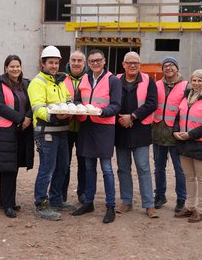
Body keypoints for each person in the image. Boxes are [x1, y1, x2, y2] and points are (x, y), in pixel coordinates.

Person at [72, 49, 122, 224]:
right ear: (89, 63)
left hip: (104, 128)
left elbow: (116, 105)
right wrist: (79, 107)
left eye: (98, 60)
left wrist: (101, 111)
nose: (95, 63)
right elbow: (77, 99)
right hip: (87, 126)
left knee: (107, 168)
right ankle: (88, 202)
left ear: (104, 61)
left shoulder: (113, 80)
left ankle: (110, 205)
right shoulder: (85, 79)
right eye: (92, 61)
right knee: (88, 166)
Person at [28, 45, 74, 221]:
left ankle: (56, 199)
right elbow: (37, 108)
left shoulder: (60, 81)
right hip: (46, 131)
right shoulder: (37, 83)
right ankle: (41, 203)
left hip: (61, 131)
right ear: (43, 63)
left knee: (63, 166)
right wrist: (53, 116)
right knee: (47, 168)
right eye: (51, 63)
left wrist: (71, 107)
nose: (54, 66)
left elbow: (68, 98)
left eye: (56, 63)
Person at [0, 55, 34, 218]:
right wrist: (21, 119)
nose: (15, 69)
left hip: (21, 131)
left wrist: (28, 117)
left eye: (17, 66)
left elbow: (32, 104)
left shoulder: (26, 84)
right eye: (12, 66)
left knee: (13, 167)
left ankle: (6, 199)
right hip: (5, 132)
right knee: (8, 169)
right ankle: (8, 205)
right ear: (6, 68)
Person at [114, 52, 159, 218]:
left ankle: (149, 205)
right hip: (120, 131)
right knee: (123, 168)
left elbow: (152, 103)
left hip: (140, 130)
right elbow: (111, 101)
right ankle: (126, 201)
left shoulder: (148, 81)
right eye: (129, 63)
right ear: (123, 64)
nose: (133, 66)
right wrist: (123, 119)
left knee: (143, 167)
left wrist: (132, 116)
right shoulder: (115, 80)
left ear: (140, 65)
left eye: (136, 63)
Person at [173, 69, 202, 223]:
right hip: (184, 142)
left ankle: (201, 209)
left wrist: (191, 134)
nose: (196, 83)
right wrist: (175, 131)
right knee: (189, 177)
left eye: (200, 80)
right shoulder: (186, 96)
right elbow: (178, 117)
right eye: (194, 80)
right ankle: (190, 206)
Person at [152, 57, 188, 213]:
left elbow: (188, 109)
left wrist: (180, 129)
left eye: (171, 65)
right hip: (158, 132)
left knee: (179, 169)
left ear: (177, 68)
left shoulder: (186, 86)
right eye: (165, 66)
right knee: (159, 168)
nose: (168, 68)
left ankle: (181, 199)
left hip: (176, 134)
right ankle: (160, 195)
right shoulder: (157, 85)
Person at [57, 50, 87, 204]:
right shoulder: (61, 79)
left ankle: (82, 193)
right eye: (73, 60)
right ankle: (61, 195)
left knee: (84, 162)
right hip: (65, 128)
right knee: (64, 163)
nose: (76, 63)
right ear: (69, 61)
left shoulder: (90, 79)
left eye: (79, 60)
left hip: (84, 128)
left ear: (84, 63)